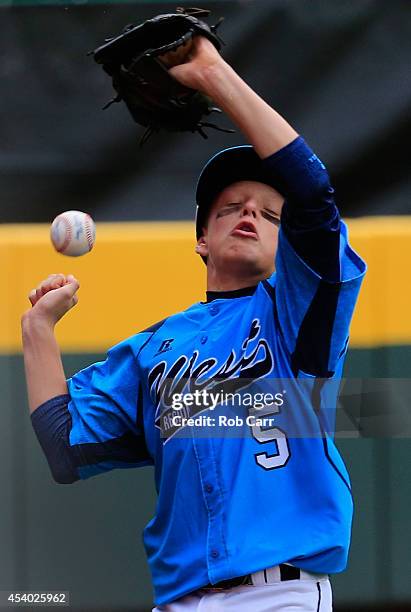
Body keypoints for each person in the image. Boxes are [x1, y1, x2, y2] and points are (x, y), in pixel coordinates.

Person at [21, 36, 366, 611]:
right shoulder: (152, 350)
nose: (251, 214)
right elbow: (65, 449)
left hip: (280, 594)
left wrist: (212, 74)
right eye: (231, 207)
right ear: (201, 240)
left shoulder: (296, 316)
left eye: (269, 213)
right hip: (179, 600)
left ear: (290, 245)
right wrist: (38, 330)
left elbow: (314, 194)